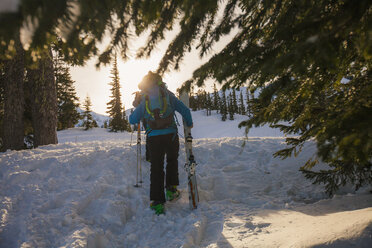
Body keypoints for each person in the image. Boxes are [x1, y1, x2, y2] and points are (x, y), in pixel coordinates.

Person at [129, 71, 193, 215]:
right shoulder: (167, 94)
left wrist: (134, 114)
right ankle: (171, 191)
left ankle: (157, 203)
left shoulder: (144, 98)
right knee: (171, 161)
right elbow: (183, 109)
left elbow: (133, 120)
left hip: (153, 138)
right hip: (170, 134)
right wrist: (189, 122)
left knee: (156, 168)